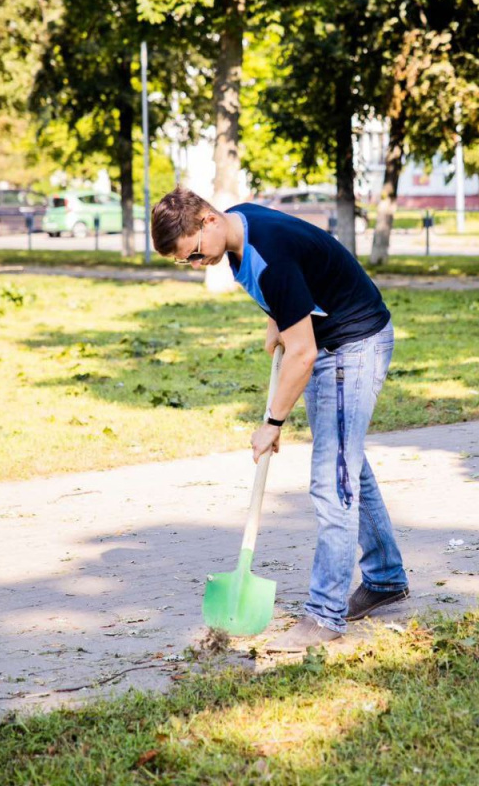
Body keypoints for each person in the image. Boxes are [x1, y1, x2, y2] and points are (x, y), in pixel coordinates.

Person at [151, 186, 409, 652]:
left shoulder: (265, 252)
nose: (195, 264)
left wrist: (273, 423)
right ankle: (386, 578)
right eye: (184, 262)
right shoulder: (238, 224)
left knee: (333, 481)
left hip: (352, 345)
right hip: (329, 339)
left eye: (192, 254)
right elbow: (296, 281)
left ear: (207, 220)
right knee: (347, 466)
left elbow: (303, 351)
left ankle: (325, 615)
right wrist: (278, 317)